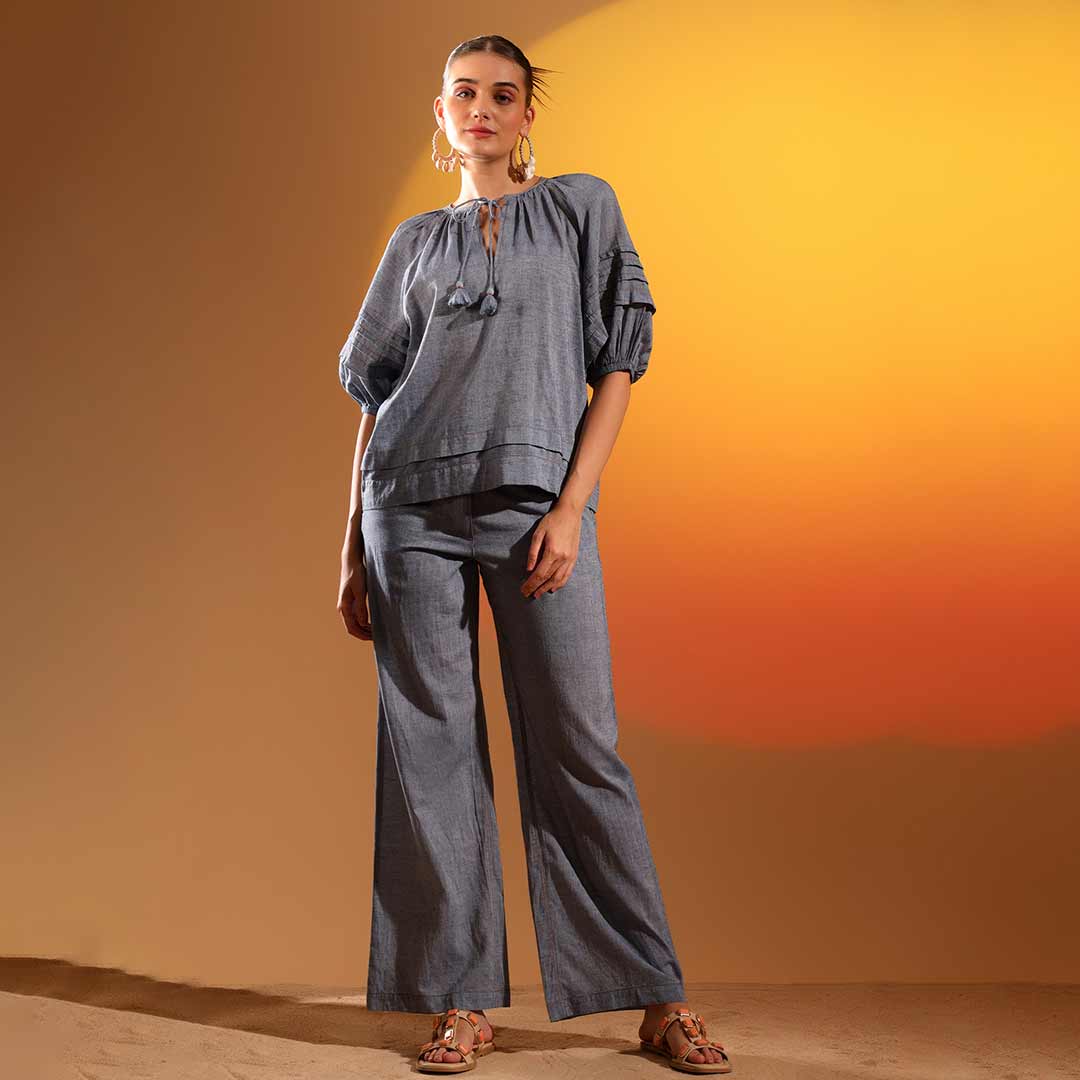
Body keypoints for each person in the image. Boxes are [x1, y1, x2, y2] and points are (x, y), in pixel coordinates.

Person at [336, 34, 732, 1076]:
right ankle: (460, 1003)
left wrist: (572, 506)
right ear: (440, 113)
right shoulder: (414, 243)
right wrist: (349, 550)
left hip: (535, 508)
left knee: (579, 745)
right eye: (463, 93)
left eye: (502, 95)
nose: (482, 108)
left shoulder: (580, 209)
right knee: (431, 755)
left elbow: (618, 365)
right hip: (406, 512)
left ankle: (657, 1000)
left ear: (525, 116)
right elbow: (376, 396)